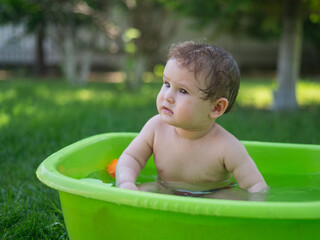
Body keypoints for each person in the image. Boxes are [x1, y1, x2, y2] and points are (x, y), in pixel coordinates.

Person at [116, 41, 267, 198]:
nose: (167, 97)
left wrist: (255, 207)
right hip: (166, 190)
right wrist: (126, 183)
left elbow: (256, 186)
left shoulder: (227, 147)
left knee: (227, 197)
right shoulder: (156, 128)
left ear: (216, 108)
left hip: (211, 196)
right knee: (145, 190)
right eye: (166, 84)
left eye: (183, 91)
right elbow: (131, 158)